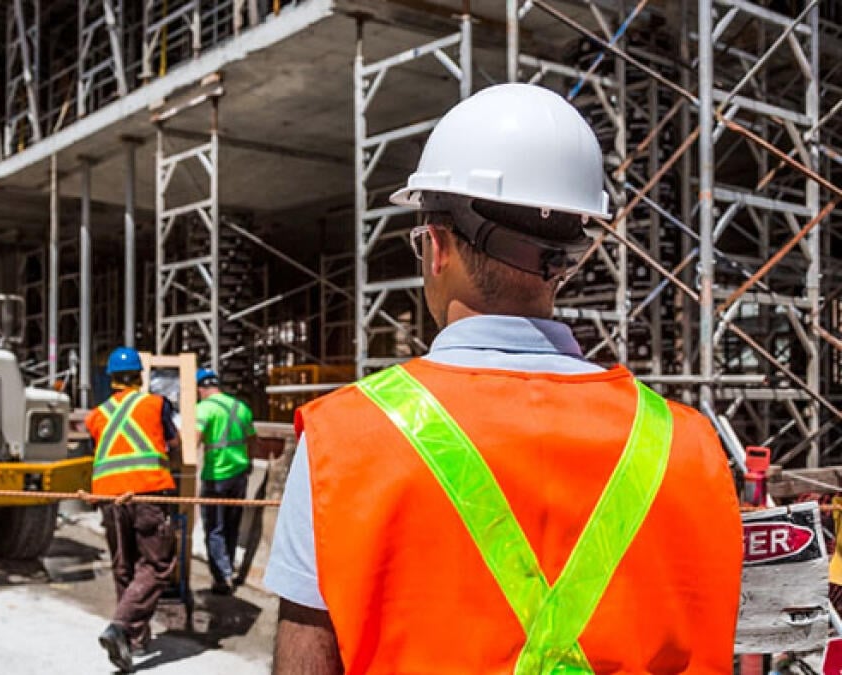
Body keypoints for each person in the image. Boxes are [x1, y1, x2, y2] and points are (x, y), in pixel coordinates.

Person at [264, 83, 742, 673]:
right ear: (564, 260)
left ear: (436, 247)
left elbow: (305, 662)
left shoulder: (342, 441)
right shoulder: (689, 445)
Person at [84, 346, 181, 672]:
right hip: (146, 492)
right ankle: (120, 626)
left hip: (109, 499)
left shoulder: (96, 415)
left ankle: (133, 640)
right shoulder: (155, 404)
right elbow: (175, 441)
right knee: (158, 565)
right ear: (140, 376)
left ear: (111, 379)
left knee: (124, 565)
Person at [194, 368, 258, 594]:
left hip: (216, 477)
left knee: (214, 528)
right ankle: (228, 567)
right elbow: (252, 439)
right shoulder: (241, 408)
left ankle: (222, 578)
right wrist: (248, 461)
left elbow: (195, 439)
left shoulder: (204, 409)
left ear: (201, 389)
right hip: (239, 476)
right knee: (232, 526)